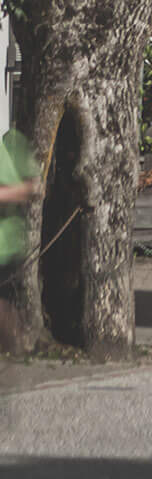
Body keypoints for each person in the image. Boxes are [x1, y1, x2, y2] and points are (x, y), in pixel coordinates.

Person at [0, 128, 41, 354]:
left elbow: (34, 186)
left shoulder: (12, 141)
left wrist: (6, 195)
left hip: (5, 245)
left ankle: (14, 346)